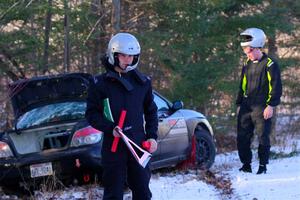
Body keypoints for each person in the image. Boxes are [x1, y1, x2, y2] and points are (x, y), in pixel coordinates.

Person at [85, 33, 158, 199]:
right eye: (124, 55)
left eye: (132, 56)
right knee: (113, 194)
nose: (128, 60)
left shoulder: (143, 82)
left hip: (138, 145)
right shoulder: (99, 83)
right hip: (114, 147)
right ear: (114, 54)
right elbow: (91, 114)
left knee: (143, 193)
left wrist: (152, 137)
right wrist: (110, 129)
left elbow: (151, 112)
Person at [236, 28, 282, 174]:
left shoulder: (270, 64)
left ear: (257, 47)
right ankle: (246, 165)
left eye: (249, 51)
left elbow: (276, 86)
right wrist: (239, 104)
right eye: (245, 51)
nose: (247, 54)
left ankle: (262, 166)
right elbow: (242, 84)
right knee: (242, 137)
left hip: (262, 106)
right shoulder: (246, 64)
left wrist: (271, 105)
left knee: (262, 136)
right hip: (246, 106)